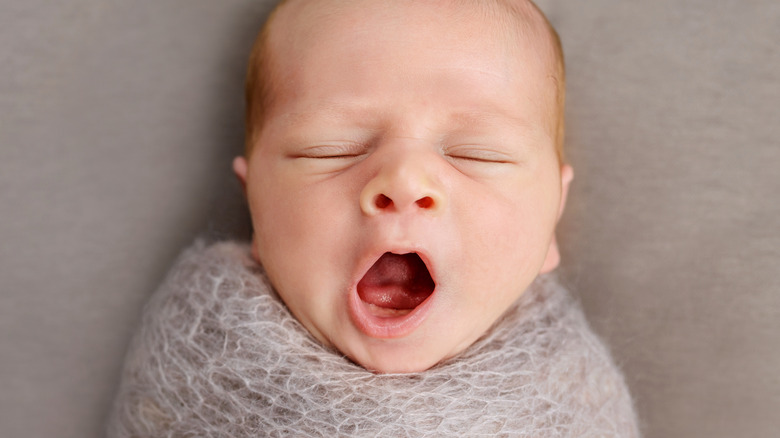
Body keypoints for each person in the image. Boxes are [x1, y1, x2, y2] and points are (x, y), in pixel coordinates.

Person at [109, 1, 640, 435]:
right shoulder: (191, 371)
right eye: (331, 148)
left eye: (478, 153)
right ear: (257, 210)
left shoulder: (576, 401)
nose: (405, 181)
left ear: (552, 220)